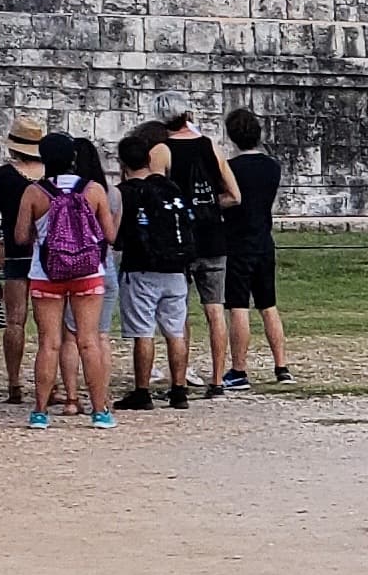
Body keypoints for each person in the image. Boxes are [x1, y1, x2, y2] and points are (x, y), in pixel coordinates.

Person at [16, 133, 116, 428]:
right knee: (88, 342)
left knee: (49, 343)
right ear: (73, 158)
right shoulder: (94, 190)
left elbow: (20, 236)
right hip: (87, 272)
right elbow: (110, 235)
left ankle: (40, 412)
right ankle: (100, 411)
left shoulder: (34, 192)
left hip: (46, 273)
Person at [111, 127, 197, 410]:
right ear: (149, 158)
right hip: (176, 267)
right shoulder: (169, 187)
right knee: (175, 330)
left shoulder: (124, 193)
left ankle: (142, 390)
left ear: (122, 162)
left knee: (143, 332)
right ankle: (179, 388)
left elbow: (118, 234)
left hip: (141, 268)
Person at [162, 106, 239, 400]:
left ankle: (178, 380)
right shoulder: (210, 147)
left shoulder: (163, 150)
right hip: (213, 236)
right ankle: (218, 379)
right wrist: (207, 206)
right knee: (215, 310)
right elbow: (234, 195)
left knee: (179, 311)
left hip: (180, 238)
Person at [219, 107, 289, 384]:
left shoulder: (231, 168)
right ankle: (281, 366)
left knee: (238, 305)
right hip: (264, 238)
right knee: (268, 304)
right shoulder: (272, 166)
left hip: (238, 240)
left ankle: (239, 369)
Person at [0, 113, 44, 405]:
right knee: (49, 324)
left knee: (15, 320)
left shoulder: (0, 177)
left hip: (14, 251)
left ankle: (14, 383)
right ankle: (51, 383)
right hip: (49, 255)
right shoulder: (51, 174)